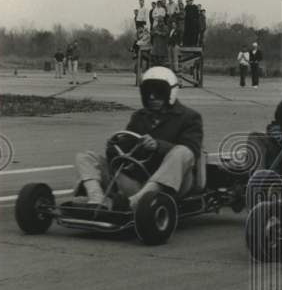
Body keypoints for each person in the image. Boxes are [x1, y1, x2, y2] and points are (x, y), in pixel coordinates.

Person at [72, 67, 203, 211]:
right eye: (148, 92)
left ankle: (137, 202)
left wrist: (158, 146)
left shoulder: (189, 117)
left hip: (174, 183)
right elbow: (125, 147)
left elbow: (192, 152)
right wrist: (114, 147)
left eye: (158, 92)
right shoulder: (139, 117)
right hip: (138, 178)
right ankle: (96, 199)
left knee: (183, 151)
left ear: (170, 93)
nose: (152, 97)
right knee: (84, 157)